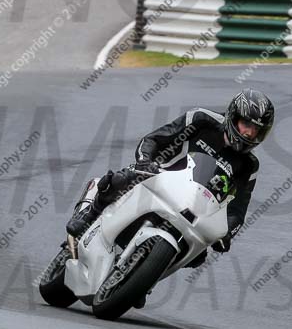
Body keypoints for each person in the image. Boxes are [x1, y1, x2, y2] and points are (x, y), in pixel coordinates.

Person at [66, 88, 275, 265]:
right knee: (123, 178)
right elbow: (154, 139)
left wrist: (227, 234)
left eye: (256, 130)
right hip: (160, 177)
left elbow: (237, 211)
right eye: (246, 125)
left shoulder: (249, 166)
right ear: (233, 116)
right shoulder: (203, 120)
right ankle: (90, 214)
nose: (249, 133)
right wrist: (145, 161)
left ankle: (142, 277)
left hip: (194, 208)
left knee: (198, 257)